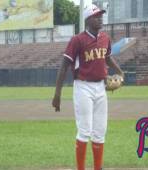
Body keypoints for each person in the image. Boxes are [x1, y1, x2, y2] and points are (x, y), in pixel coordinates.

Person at [52, 4, 124, 170]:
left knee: (100, 132)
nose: (100, 18)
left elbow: (107, 58)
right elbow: (63, 66)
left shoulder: (105, 38)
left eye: (101, 15)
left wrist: (120, 72)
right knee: (85, 131)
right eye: (97, 16)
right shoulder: (77, 40)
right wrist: (57, 95)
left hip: (101, 87)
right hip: (83, 87)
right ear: (88, 19)